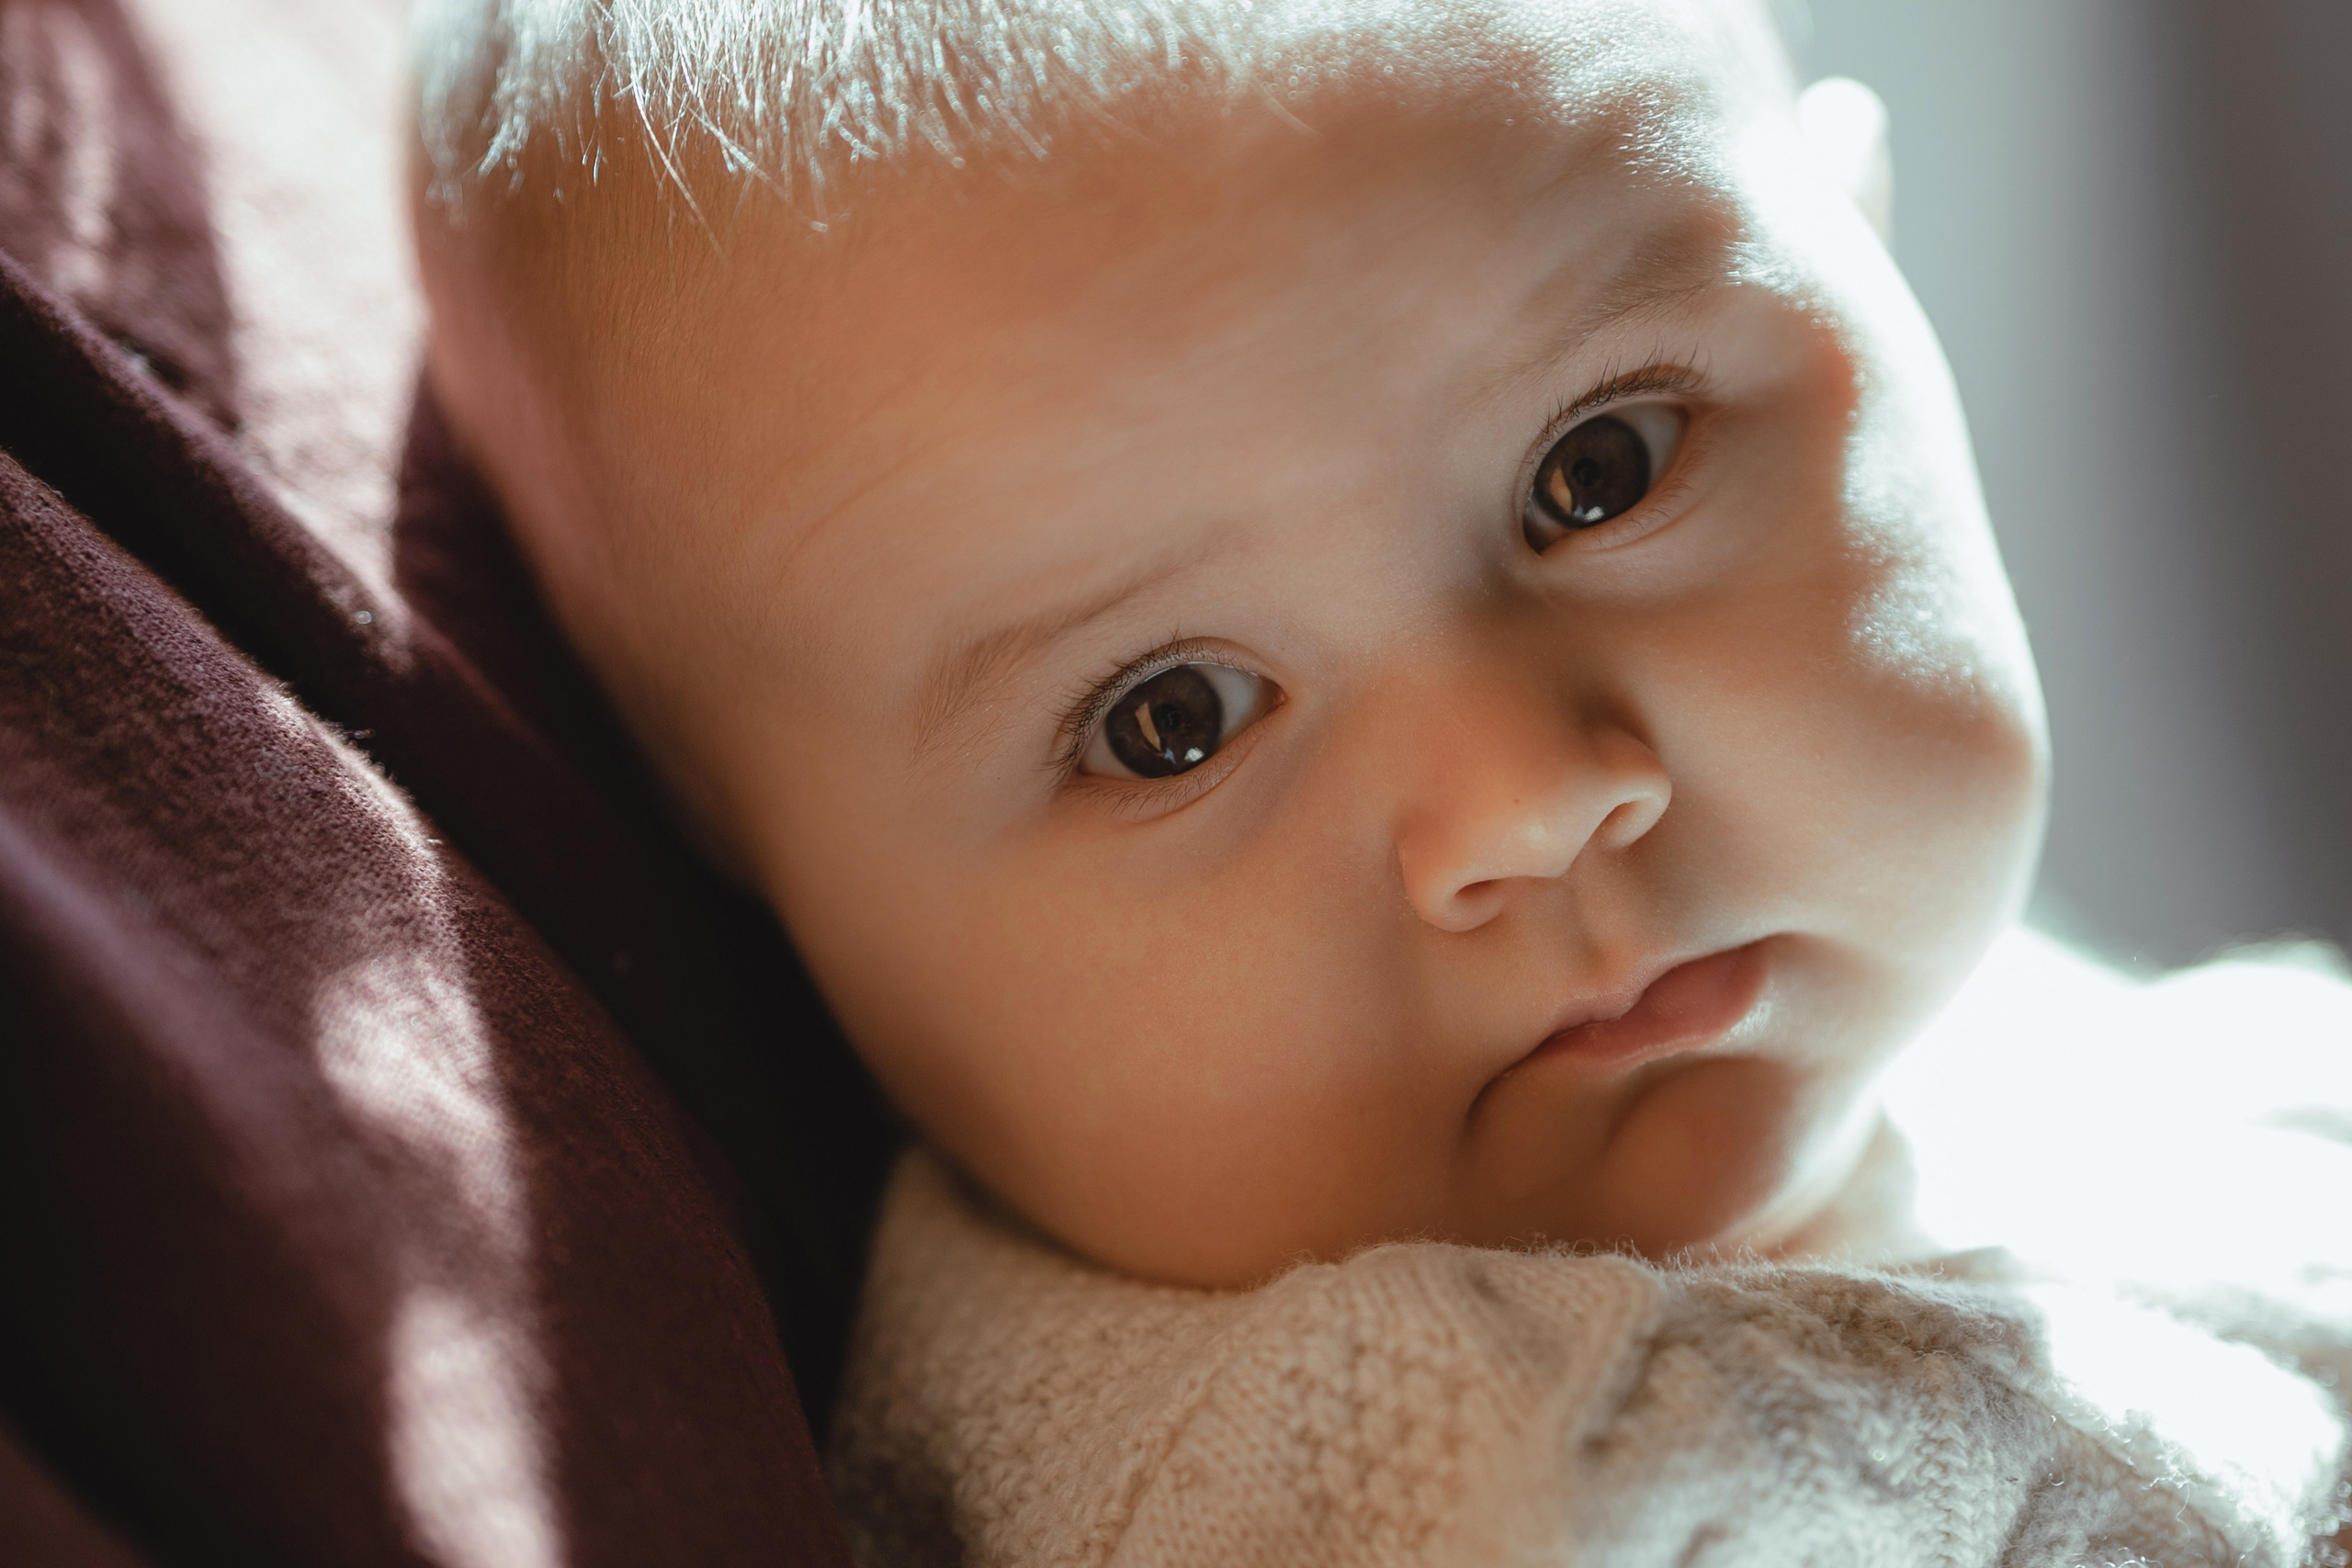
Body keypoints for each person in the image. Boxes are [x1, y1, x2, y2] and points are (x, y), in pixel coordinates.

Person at [408, 0, 2352, 1561]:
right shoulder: (1377, 1480)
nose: (1526, 796)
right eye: (1170, 715)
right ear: (756, 873)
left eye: (1599, 467)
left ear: (1877, 266)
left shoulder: (2050, 1044)